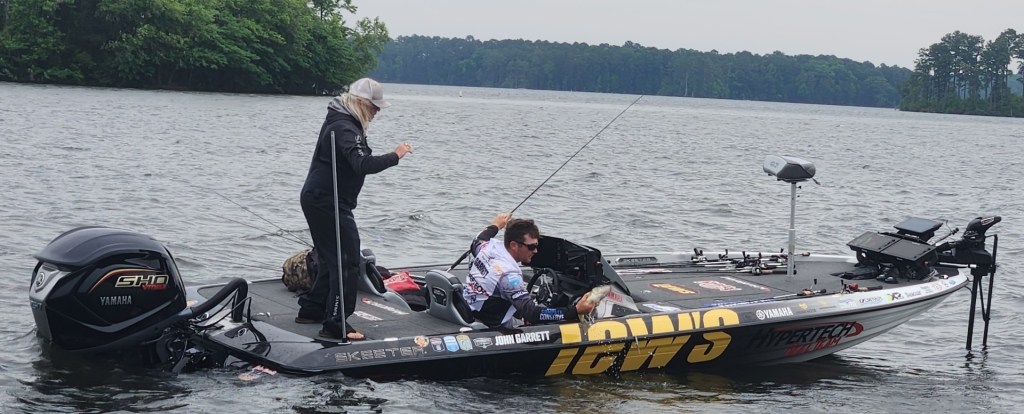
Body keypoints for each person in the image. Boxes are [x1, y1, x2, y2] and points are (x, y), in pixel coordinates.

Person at [296, 78, 412, 341]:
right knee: (347, 261)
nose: (377, 111)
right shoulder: (345, 127)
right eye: (374, 106)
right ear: (361, 103)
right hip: (327, 200)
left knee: (330, 258)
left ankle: (312, 309)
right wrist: (396, 155)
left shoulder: (340, 120)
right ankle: (336, 323)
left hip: (319, 197)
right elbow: (362, 164)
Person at [462, 213, 597, 329]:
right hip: (494, 322)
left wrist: (496, 224)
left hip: (473, 306)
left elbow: (477, 240)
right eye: (531, 247)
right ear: (514, 245)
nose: (536, 251)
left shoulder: (487, 248)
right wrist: (575, 310)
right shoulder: (509, 276)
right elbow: (532, 313)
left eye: (537, 245)